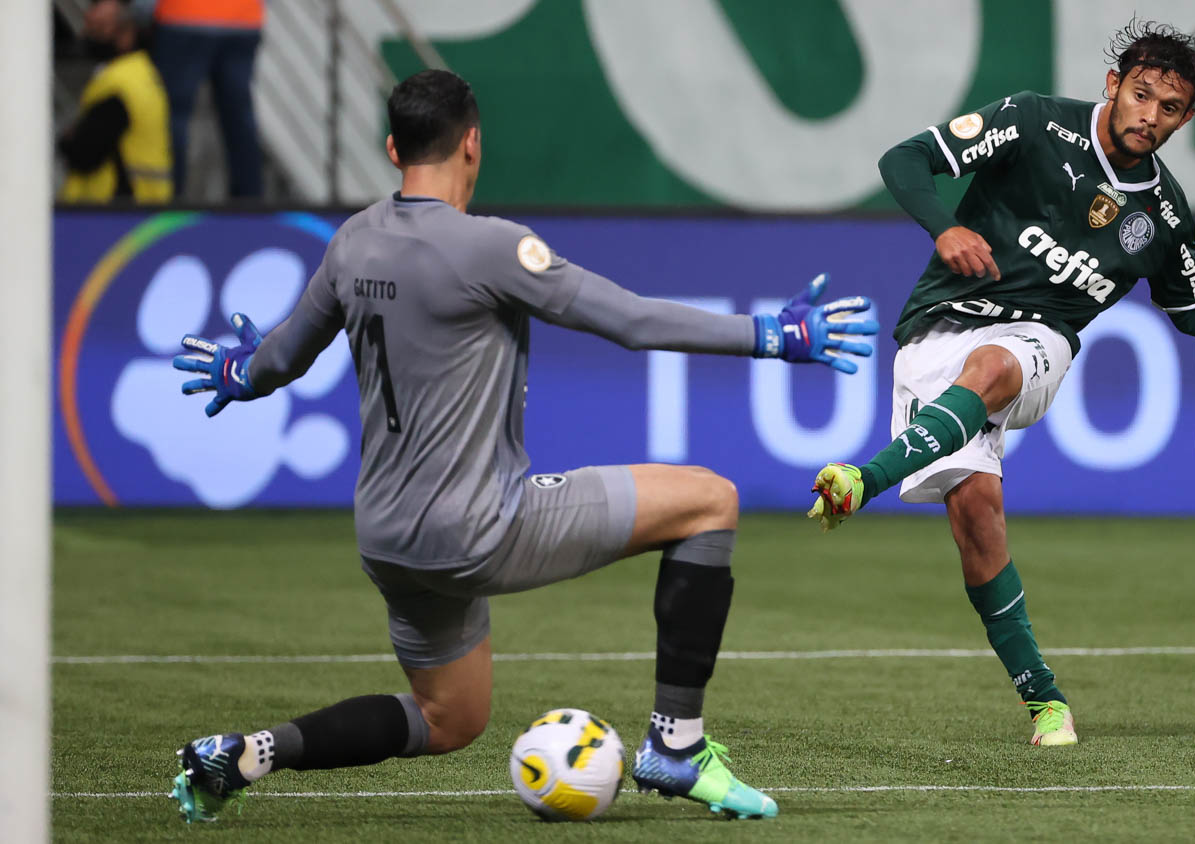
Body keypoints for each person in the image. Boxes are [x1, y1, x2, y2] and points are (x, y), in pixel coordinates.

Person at [167, 69, 878, 823]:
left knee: (450, 720)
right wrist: (773, 335)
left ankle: (247, 753)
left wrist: (237, 372)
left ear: (391, 147)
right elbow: (631, 321)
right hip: (480, 528)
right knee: (710, 501)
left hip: (387, 539)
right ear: (472, 143)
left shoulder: (353, 242)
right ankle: (676, 745)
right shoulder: (493, 249)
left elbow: (274, 363)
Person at [806, 20, 1195, 747]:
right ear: (1114, 85)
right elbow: (906, 158)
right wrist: (944, 228)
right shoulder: (1032, 121)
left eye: (1169, 109)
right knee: (977, 518)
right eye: (1141, 96)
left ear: (1186, 117)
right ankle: (1046, 701)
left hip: (1038, 343)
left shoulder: (1162, 212)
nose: (1150, 117)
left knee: (998, 366)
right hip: (937, 329)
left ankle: (859, 479)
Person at [58, 0, 172, 203]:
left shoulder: (117, 84)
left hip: (112, 208)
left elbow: (85, 153)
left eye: (98, 28)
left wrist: (67, 141)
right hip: (141, 205)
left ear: (125, 34)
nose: (86, 35)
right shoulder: (142, 74)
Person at [150, 0, 264, 198]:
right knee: (239, 118)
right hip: (243, 18)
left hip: (182, 16)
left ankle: (166, 201)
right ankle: (250, 205)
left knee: (173, 116)